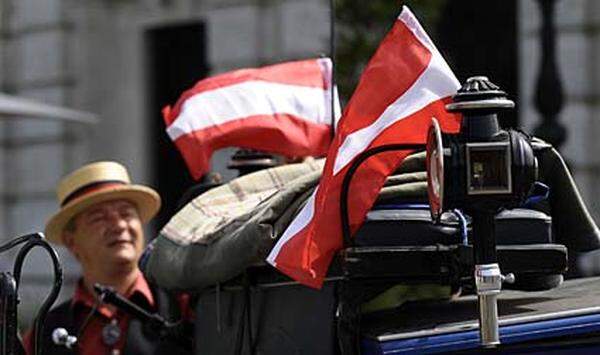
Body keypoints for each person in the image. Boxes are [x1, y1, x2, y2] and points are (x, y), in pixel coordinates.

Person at [24, 161, 191, 355]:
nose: (119, 225)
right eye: (99, 218)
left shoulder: (183, 307)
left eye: (127, 214)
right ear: (72, 242)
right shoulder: (44, 332)